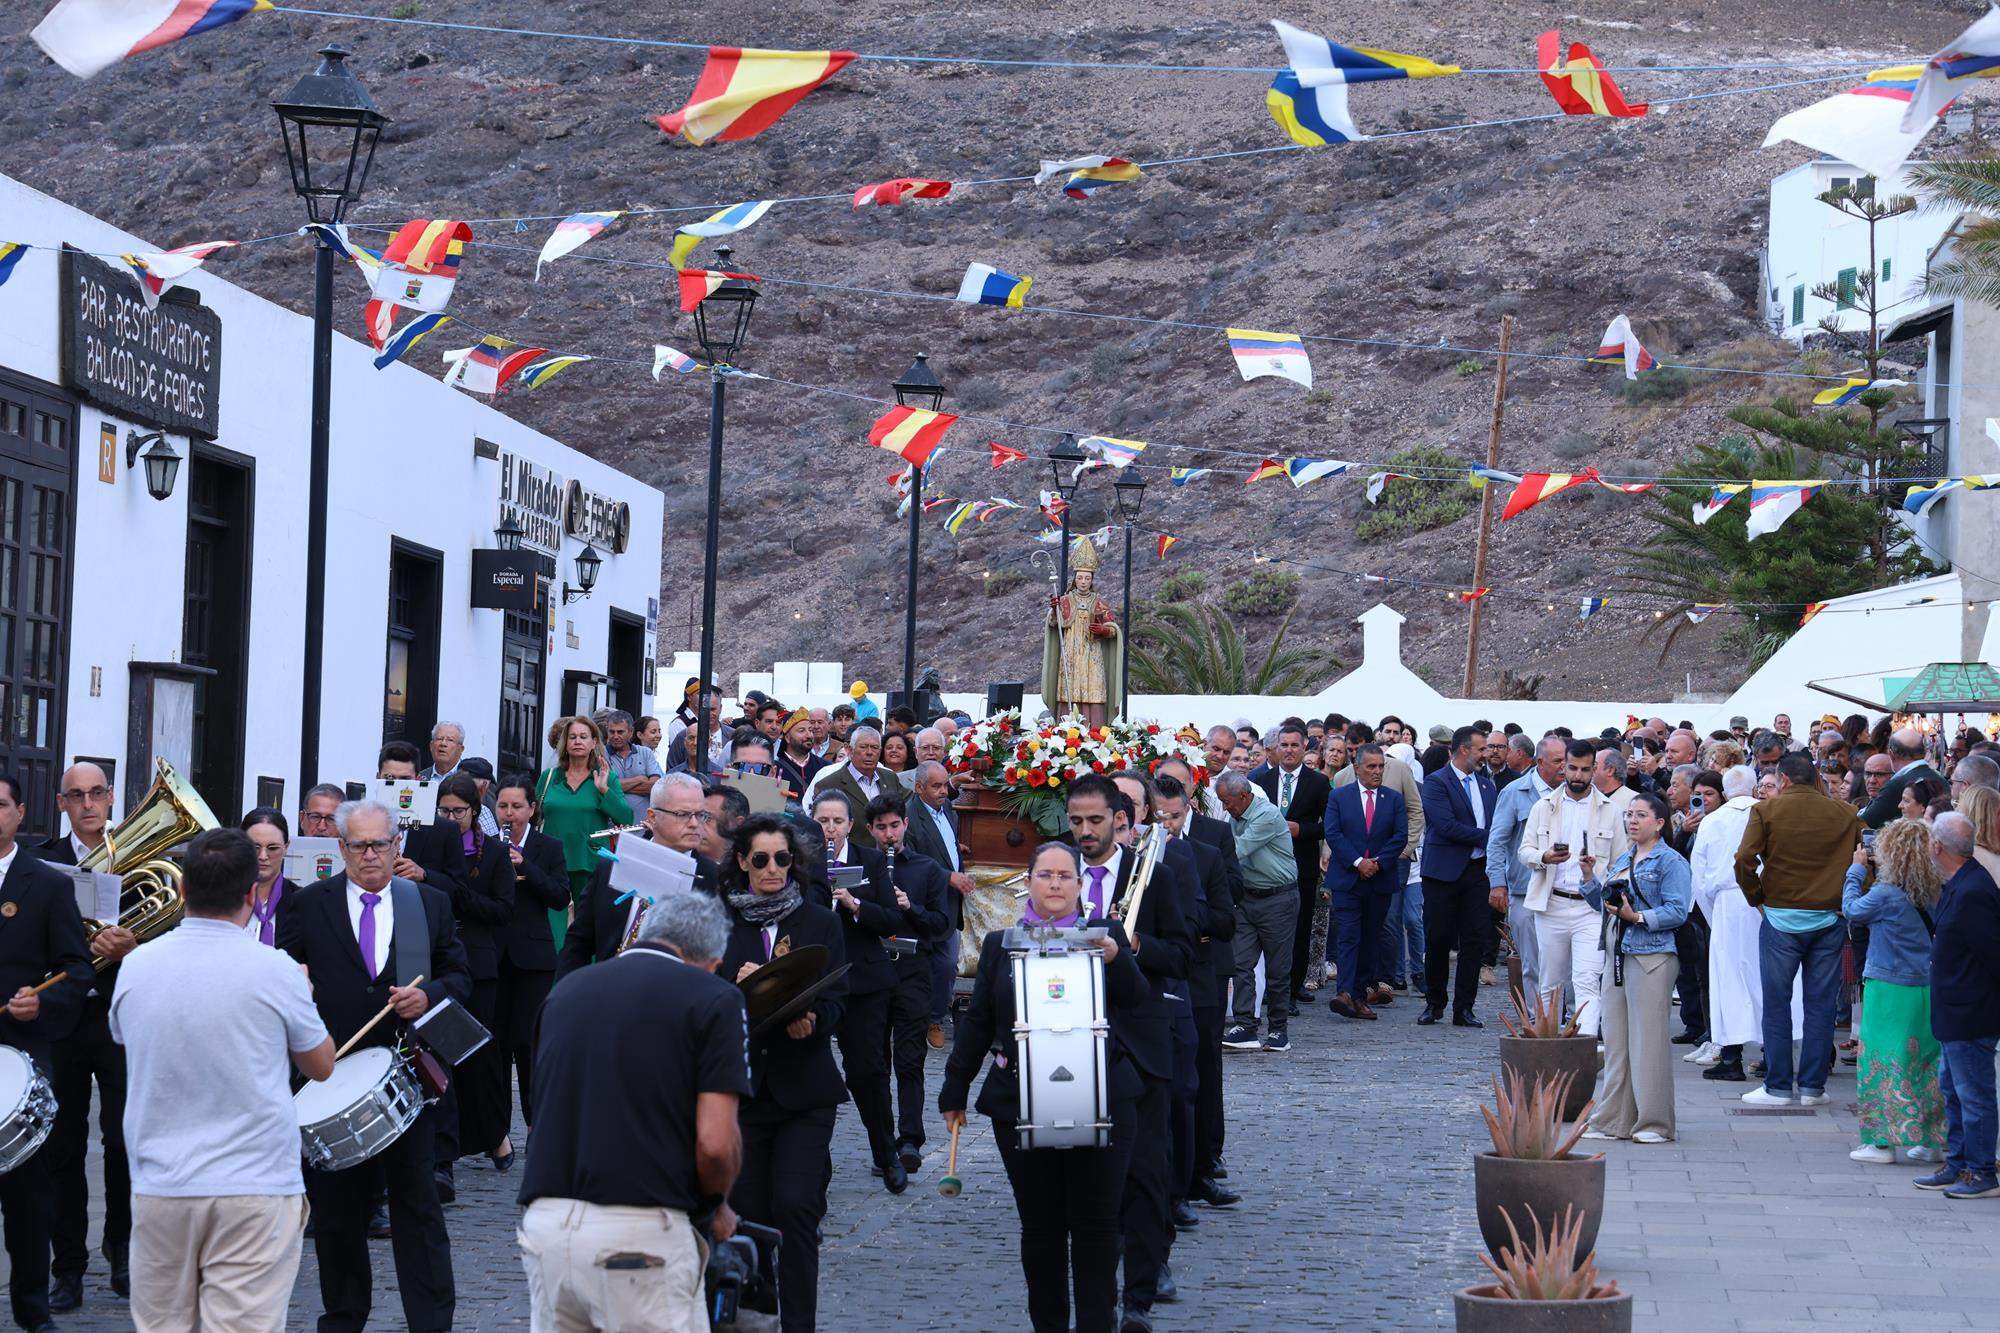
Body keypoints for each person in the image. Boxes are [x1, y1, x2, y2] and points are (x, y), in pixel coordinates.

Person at [109, 828, 335, 1333]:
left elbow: (127, 1038)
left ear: (183, 891)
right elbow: (321, 1066)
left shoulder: (136, 966)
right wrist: (305, 994)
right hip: (254, 1186)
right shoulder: (276, 969)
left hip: (161, 1183)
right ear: (253, 896)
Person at [275, 799, 471, 1332]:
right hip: (332, 1078)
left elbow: (460, 973)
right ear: (340, 848)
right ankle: (343, 1317)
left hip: (408, 1078)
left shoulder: (425, 903)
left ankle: (431, 1322)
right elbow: (287, 975)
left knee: (419, 1208)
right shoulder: (309, 904)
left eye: (379, 844)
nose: (369, 854)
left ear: (396, 846)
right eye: (357, 845)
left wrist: (428, 996)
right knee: (338, 1216)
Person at [940, 841, 1148, 1333]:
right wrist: (955, 1089)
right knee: (1041, 1228)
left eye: (1065, 876)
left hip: (1102, 1099)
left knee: (1098, 1228)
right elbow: (978, 1023)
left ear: (1081, 885)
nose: (1055, 884)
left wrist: (1118, 958)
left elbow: (1138, 1002)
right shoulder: (1000, 944)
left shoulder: (1106, 934)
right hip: (1020, 1101)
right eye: (1045, 875)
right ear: (1028, 882)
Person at [518, 890, 749, 1332]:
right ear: (711, 959)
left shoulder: (566, 991)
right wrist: (716, 1204)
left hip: (546, 1225)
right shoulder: (714, 997)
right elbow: (717, 1144)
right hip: (639, 1230)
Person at [1061, 774, 1189, 1333]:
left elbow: (1183, 954)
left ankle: (1139, 1291)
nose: (1085, 832)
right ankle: (1094, 1283)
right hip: (1069, 1042)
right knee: (1086, 1177)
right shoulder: (1054, 875)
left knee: (1143, 1172)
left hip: (1137, 1043)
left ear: (1120, 819)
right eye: (1076, 822)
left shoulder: (1152, 876)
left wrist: (1133, 945)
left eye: (1095, 821)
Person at [717, 814, 849, 1332]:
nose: (773, 869)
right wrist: (738, 982)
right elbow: (702, 995)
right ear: (743, 863)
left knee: (796, 1207)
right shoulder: (720, 921)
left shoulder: (820, 921)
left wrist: (813, 1020)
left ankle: (800, 1325)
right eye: (761, 859)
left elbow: (839, 999)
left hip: (804, 1090)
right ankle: (759, 1313)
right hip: (744, 1088)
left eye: (783, 859)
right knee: (748, 1211)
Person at [42, 760, 136, 1315]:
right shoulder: (43, 864)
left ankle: (123, 1250)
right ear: (62, 803)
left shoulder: (141, 854)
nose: (88, 804)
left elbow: (169, 926)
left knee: (125, 1141)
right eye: (76, 796)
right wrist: (82, 948)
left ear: (110, 796)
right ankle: (68, 1267)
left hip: (121, 1016)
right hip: (64, 1018)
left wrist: (132, 947)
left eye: (97, 793)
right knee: (63, 1147)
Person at [0, 772, 92, 1333]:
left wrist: (43, 1002)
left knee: (28, 1197)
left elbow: (78, 970)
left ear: (19, 813)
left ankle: (33, 1311)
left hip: (23, 1058)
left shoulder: (49, 884)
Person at [1735, 751, 1862, 1108]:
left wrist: (1756, 896)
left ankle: (1777, 1086)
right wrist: (1848, 896)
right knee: (1820, 1006)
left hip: (1780, 917)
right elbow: (1866, 855)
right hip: (1828, 916)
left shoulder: (1766, 811)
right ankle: (1812, 1087)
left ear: (1785, 780)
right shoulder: (1846, 813)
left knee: (1777, 1004)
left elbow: (1744, 859)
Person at [1578, 794, 1691, 1144]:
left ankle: (1654, 1123)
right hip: (1618, 954)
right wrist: (1588, 878)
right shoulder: (1624, 858)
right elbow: (1606, 906)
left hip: (1652, 957)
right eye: (1629, 815)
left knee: (1648, 1043)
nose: (1632, 821)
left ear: (1659, 822)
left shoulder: (1670, 861)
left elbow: (1678, 910)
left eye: (1641, 815)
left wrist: (1638, 917)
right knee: (1616, 1041)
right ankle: (1612, 1120)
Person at [812, 789, 908, 1192]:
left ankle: (886, 1154)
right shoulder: (803, 862)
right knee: (810, 1072)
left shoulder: (869, 860)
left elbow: (891, 919)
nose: (830, 829)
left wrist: (854, 905)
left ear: (850, 825)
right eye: (822, 821)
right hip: (816, 981)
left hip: (864, 981)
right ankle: (815, 1164)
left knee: (868, 1072)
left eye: (837, 821)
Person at [1842, 818, 1946, 1165]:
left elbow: (1852, 911)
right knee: (1926, 1062)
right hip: (1927, 985)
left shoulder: (1886, 894)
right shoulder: (1935, 890)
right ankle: (1931, 1139)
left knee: (1882, 1061)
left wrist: (1855, 872)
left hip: (1889, 986)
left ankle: (1880, 1142)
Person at [1912, 812, 2000, 1199]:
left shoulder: (1974, 890)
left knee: (1973, 1093)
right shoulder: (1960, 883)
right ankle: (1960, 1161)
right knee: (1953, 1088)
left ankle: (1981, 1171)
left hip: (1970, 1012)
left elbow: (1992, 954)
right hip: (1955, 1009)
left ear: (1938, 846)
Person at [433, 773, 517, 1177]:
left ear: (474, 811)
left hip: (479, 963)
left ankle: (495, 1133)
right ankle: (448, 1145)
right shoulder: (429, 847)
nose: (451, 819)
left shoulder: (495, 854)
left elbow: (502, 910)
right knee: (440, 1052)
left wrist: (450, 888)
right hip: (437, 962)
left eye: (459, 811)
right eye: (444, 811)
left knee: (479, 1056)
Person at [559, 773, 723, 975]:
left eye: (701, 815)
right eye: (683, 814)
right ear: (652, 817)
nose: (694, 823)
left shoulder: (714, 878)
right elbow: (579, 942)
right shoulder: (612, 867)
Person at [1520, 740, 1631, 1037]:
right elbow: (1525, 850)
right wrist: (1544, 857)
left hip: (1591, 908)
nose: (1578, 775)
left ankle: (1584, 1046)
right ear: (1563, 767)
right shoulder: (1544, 807)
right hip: (1551, 903)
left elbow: (1622, 861)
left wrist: (1596, 877)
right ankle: (1546, 1045)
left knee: (1586, 980)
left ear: (1594, 769)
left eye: (1584, 769)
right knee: (1551, 982)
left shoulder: (1611, 810)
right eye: (1572, 768)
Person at [865, 794, 951, 1174]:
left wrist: (908, 908)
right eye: (881, 827)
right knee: (875, 1063)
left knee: (909, 1059)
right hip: (873, 972)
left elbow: (940, 924)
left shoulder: (927, 868)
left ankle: (910, 1140)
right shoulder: (863, 866)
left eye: (894, 825)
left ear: (905, 825)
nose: (888, 833)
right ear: (870, 830)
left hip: (913, 970)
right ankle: (883, 1146)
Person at [492, 776, 570, 1142]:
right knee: (496, 1044)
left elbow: (559, 896)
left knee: (528, 1041)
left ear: (532, 809)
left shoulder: (548, 846)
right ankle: (498, 1130)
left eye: (517, 807)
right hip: (493, 957)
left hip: (534, 957)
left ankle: (536, 1122)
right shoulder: (486, 846)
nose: (509, 814)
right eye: (503, 806)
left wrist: (526, 867)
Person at [1419, 725, 1499, 1027]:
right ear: (1464, 749)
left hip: (1478, 873)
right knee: (1438, 938)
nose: (1486, 754)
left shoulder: (1486, 785)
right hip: (1442, 873)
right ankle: (1435, 1002)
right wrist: (1490, 838)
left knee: (1475, 940)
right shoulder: (1437, 782)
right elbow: (1445, 825)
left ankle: (1464, 1007)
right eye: (1481, 749)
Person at [1322, 745, 1407, 1020]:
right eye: (1371, 767)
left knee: (1371, 938)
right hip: (1348, 878)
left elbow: (1400, 836)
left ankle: (1359, 994)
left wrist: (1378, 863)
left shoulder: (1393, 799)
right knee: (1348, 935)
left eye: (1381, 766)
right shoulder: (1339, 796)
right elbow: (1333, 834)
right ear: (1357, 767)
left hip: (1379, 879)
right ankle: (1345, 992)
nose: (1377, 772)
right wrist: (1358, 862)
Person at [536, 714, 633, 946]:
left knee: (588, 929)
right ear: (565, 743)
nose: (577, 741)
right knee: (553, 928)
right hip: (552, 862)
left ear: (593, 743)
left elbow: (626, 818)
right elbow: (532, 813)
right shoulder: (549, 777)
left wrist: (603, 791)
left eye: (583, 736)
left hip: (588, 861)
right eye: (572, 737)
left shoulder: (606, 778)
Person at [1253, 723, 1329, 1012]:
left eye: (1294, 745)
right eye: (1283, 745)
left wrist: (1302, 830)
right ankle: (1268, 989)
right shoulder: (1261, 781)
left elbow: (1329, 827)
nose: (1288, 750)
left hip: (1302, 867)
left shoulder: (1318, 783)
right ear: (1275, 747)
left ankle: (1291, 993)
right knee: (1266, 932)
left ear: (1305, 746)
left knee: (1299, 930)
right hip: (1264, 868)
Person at [1218, 771, 1296, 1051]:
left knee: (1277, 968)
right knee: (1241, 963)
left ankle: (1278, 1031)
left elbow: (1237, 850)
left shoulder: (1267, 815)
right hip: (1248, 898)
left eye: (1227, 802)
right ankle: (1245, 1026)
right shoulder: (1235, 815)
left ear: (1244, 796)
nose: (1225, 807)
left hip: (1278, 899)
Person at [1487, 736, 1564, 1005]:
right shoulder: (1514, 792)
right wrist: (1497, 883)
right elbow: (1496, 841)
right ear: (1540, 762)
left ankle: (1567, 1022)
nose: (1564, 767)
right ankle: (1536, 1021)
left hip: (1564, 892)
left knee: (1563, 965)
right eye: (1558, 761)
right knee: (1532, 964)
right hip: (1525, 892)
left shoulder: (1574, 793)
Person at [804, 726, 903, 848]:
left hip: (889, 855)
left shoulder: (890, 777)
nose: (869, 752)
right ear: (849, 749)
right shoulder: (828, 784)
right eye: (863, 747)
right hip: (850, 859)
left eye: (875, 747)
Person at [597, 708, 665, 825]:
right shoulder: (600, 755)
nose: (615, 736)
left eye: (620, 732)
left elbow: (654, 786)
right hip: (612, 827)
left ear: (631, 732)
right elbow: (603, 787)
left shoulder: (645, 753)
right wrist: (639, 779)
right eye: (612, 732)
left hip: (644, 826)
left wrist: (616, 786)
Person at [240, 807, 298, 946]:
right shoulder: (222, 899)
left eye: (272, 848)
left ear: (286, 847)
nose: (263, 856)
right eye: (255, 847)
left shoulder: (302, 902)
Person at [1864, 728, 1942, 828]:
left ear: (1891, 754)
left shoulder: (1896, 784)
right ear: (1924, 752)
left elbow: (1864, 823)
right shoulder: (1940, 779)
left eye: (1879, 774)